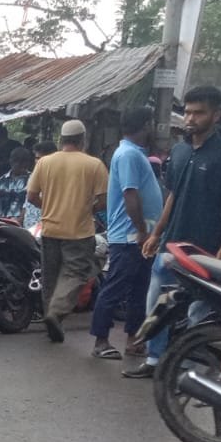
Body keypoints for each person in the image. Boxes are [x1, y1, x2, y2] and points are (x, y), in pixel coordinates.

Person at [126, 85, 221, 379]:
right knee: (157, 301)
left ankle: (186, 366)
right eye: (187, 111)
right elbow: (173, 196)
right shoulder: (179, 151)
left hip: (206, 248)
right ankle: (154, 360)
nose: (190, 118)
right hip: (171, 244)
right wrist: (156, 234)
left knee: (197, 310)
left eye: (198, 112)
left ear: (216, 115)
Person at [89, 107, 162, 361]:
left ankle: (133, 340)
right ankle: (101, 341)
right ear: (145, 125)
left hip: (140, 237)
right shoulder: (129, 154)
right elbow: (130, 195)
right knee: (115, 289)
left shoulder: (133, 154)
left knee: (139, 291)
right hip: (130, 237)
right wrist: (142, 229)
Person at [27, 119, 109, 343]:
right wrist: (87, 209)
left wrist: (50, 207)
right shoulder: (94, 165)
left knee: (50, 276)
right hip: (79, 231)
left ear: (61, 140)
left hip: (49, 229)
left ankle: (51, 321)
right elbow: (103, 201)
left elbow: (31, 196)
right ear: (83, 139)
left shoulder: (45, 163)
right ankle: (56, 313)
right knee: (76, 273)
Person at [0, 147, 34, 219]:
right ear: (10, 161)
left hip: (22, 223)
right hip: (1, 221)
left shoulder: (33, 180)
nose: (19, 164)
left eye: (23, 161)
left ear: (28, 162)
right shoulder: (1, 181)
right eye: (16, 160)